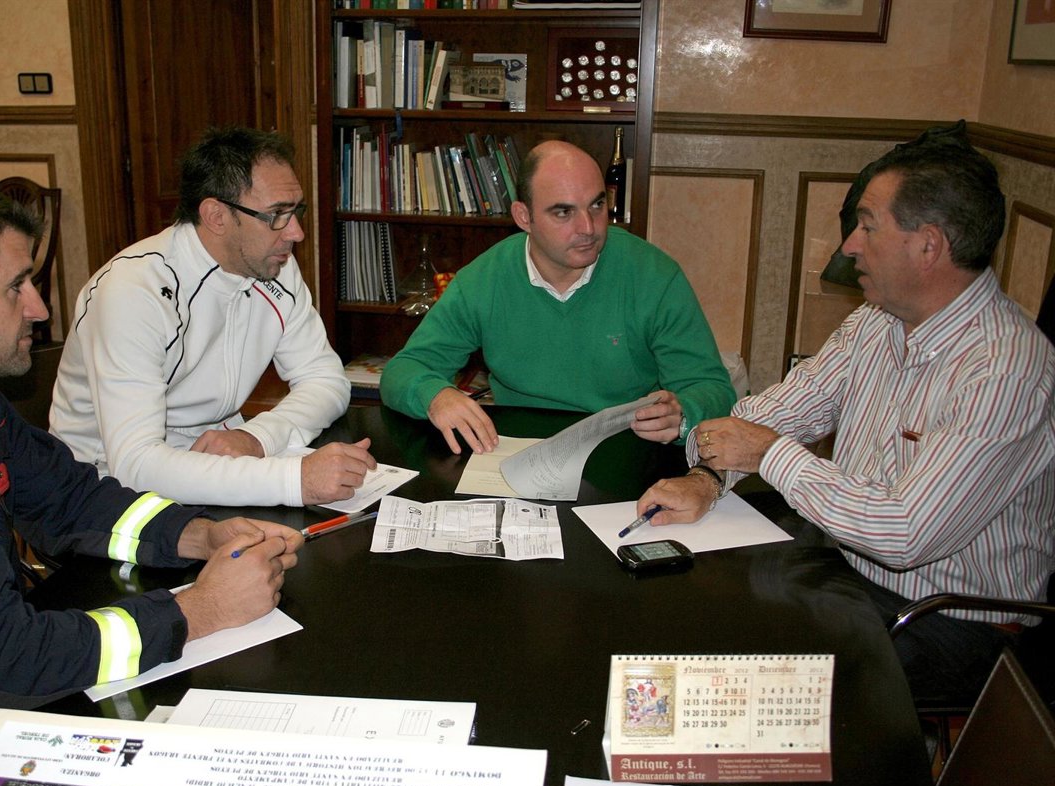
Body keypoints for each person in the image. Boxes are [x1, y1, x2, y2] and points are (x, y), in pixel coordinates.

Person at [0, 177, 303, 734]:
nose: (39, 308)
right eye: (16, 286)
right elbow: (2, 661)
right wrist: (197, 611)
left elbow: (68, 498)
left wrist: (199, 535)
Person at [637, 136, 1055, 701]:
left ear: (928, 245)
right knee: (685, 585)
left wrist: (767, 453)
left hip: (947, 618)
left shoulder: (1006, 369)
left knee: (736, 669)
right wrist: (708, 477)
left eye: (867, 226)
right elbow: (768, 414)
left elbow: (905, 533)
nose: (850, 245)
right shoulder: (876, 322)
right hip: (845, 566)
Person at [50, 127, 376, 506]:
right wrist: (294, 480)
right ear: (216, 216)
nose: (297, 233)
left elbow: (326, 380)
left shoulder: (272, 265)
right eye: (277, 215)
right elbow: (135, 464)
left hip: (212, 466)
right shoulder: (133, 291)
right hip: (98, 492)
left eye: (296, 210)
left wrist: (258, 437)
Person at [379, 140, 735, 456]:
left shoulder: (653, 275)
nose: (588, 228)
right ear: (524, 217)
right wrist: (436, 395)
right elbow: (403, 370)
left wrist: (683, 413)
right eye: (564, 212)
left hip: (625, 448)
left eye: (597, 205)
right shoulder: (484, 279)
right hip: (518, 449)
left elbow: (712, 388)